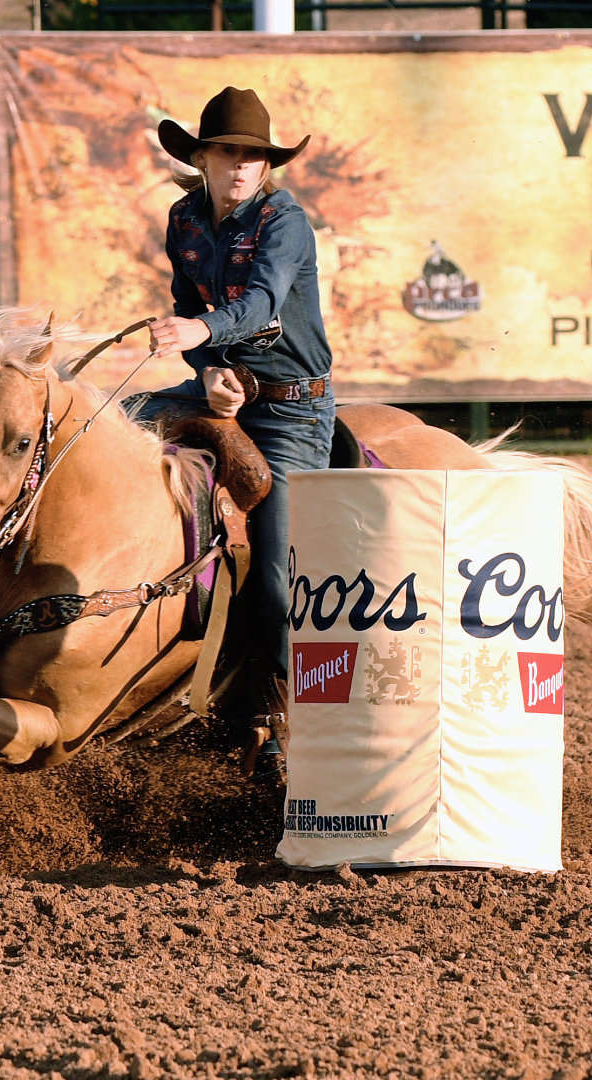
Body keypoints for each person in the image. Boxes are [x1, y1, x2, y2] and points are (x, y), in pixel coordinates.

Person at [137, 86, 335, 719]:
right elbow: (188, 306)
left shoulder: (286, 222)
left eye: (254, 154)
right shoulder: (184, 220)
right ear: (202, 158)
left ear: (267, 164)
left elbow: (261, 304)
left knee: (278, 583)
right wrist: (211, 366)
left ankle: (277, 716)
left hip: (290, 410)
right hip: (225, 391)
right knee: (108, 426)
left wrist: (200, 334)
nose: (242, 164)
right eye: (228, 152)